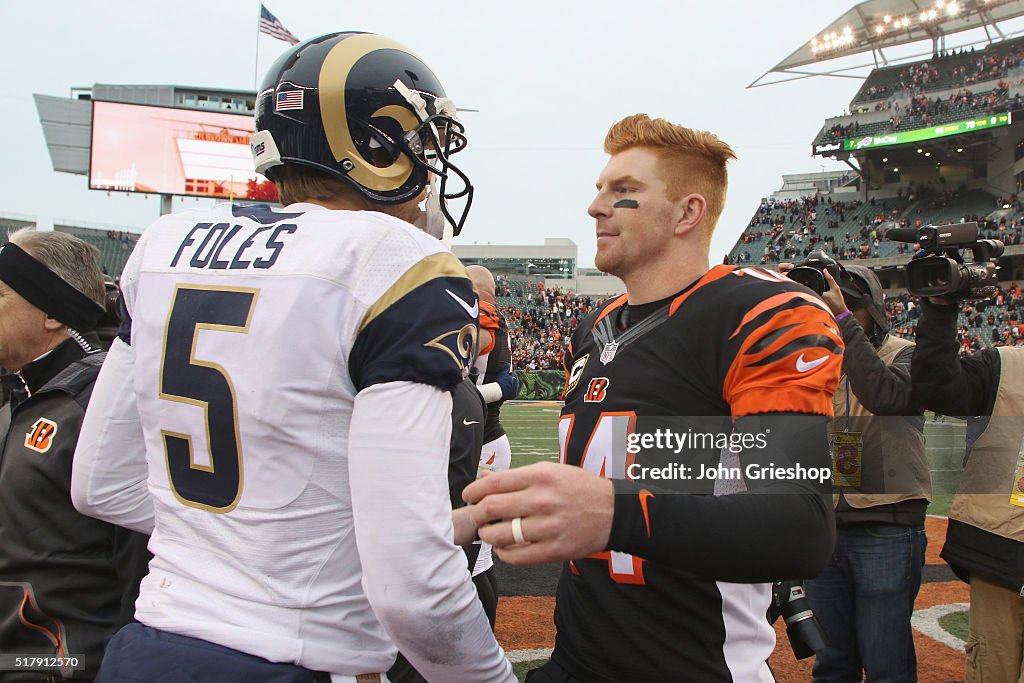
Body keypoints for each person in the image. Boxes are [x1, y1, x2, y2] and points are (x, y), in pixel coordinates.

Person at [70, 32, 514, 683]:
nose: (429, 170)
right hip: (292, 661)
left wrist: (253, 541)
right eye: (419, 145)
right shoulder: (396, 261)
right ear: (372, 147)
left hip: (147, 646)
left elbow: (100, 484)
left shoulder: (165, 242)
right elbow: (409, 582)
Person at [464, 114, 844, 682]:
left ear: (687, 212)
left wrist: (612, 513)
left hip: (695, 667)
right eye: (599, 190)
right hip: (578, 661)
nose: (596, 207)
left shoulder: (758, 312)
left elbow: (801, 527)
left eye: (624, 193)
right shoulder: (596, 326)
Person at [0, 229, 150, 681]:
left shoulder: (97, 401)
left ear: (49, 311)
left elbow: (136, 563)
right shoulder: (23, 387)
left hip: (58, 660)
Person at [802, 264, 930, 683]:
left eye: (851, 307)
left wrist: (841, 326)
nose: (838, 313)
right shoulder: (811, 359)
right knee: (832, 664)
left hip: (886, 524)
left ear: (873, 310)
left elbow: (884, 395)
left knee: (886, 666)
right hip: (826, 527)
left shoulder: (907, 353)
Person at [911, 294, 1024, 683]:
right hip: (1005, 548)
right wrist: (940, 311)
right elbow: (936, 388)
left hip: (1003, 544)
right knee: (992, 669)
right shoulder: (1005, 365)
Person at [465, 264, 519, 628]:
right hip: (483, 441)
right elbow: (508, 382)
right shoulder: (494, 321)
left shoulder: (480, 319)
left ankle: (482, 641)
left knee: (473, 557)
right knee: (472, 553)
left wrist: (464, 397)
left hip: (481, 443)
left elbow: (506, 383)